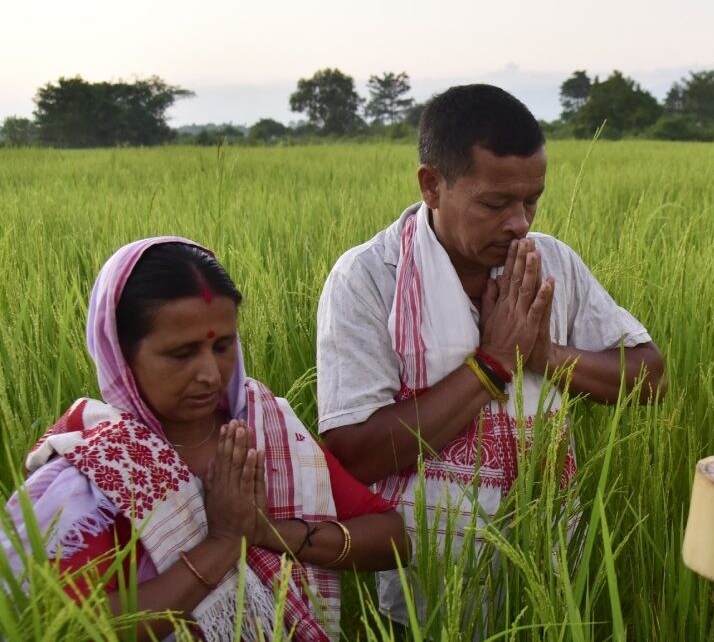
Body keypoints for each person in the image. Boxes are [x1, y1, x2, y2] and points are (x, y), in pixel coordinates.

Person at [316, 84, 666, 628]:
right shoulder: (370, 278)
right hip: (423, 587)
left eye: (532, 201)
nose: (519, 223)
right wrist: (494, 364)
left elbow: (649, 378)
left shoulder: (552, 264)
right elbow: (353, 452)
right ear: (432, 185)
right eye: (495, 203)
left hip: (549, 567)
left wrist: (544, 353)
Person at [2, 237, 409, 641]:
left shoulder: (265, 429)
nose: (211, 375)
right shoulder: (102, 467)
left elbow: (393, 540)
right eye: (182, 353)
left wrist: (266, 532)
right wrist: (222, 544)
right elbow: (66, 628)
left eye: (222, 346)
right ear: (121, 354)